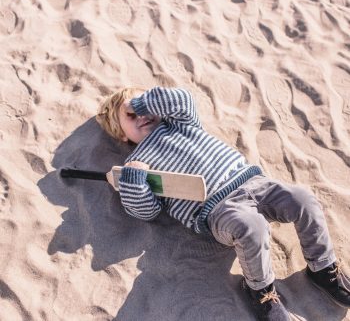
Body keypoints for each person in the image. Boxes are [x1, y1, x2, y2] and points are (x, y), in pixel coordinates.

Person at [96, 86, 350, 321]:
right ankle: (260, 291)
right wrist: (133, 179)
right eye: (131, 115)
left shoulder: (182, 123)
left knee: (303, 199)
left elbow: (181, 99)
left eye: (146, 108)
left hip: (253, 182)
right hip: (216, 210)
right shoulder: (138, 162)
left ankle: (323, 266)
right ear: (120, 133)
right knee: (252, 227)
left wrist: (138, 102)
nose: (141, 115)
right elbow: (146, 211)